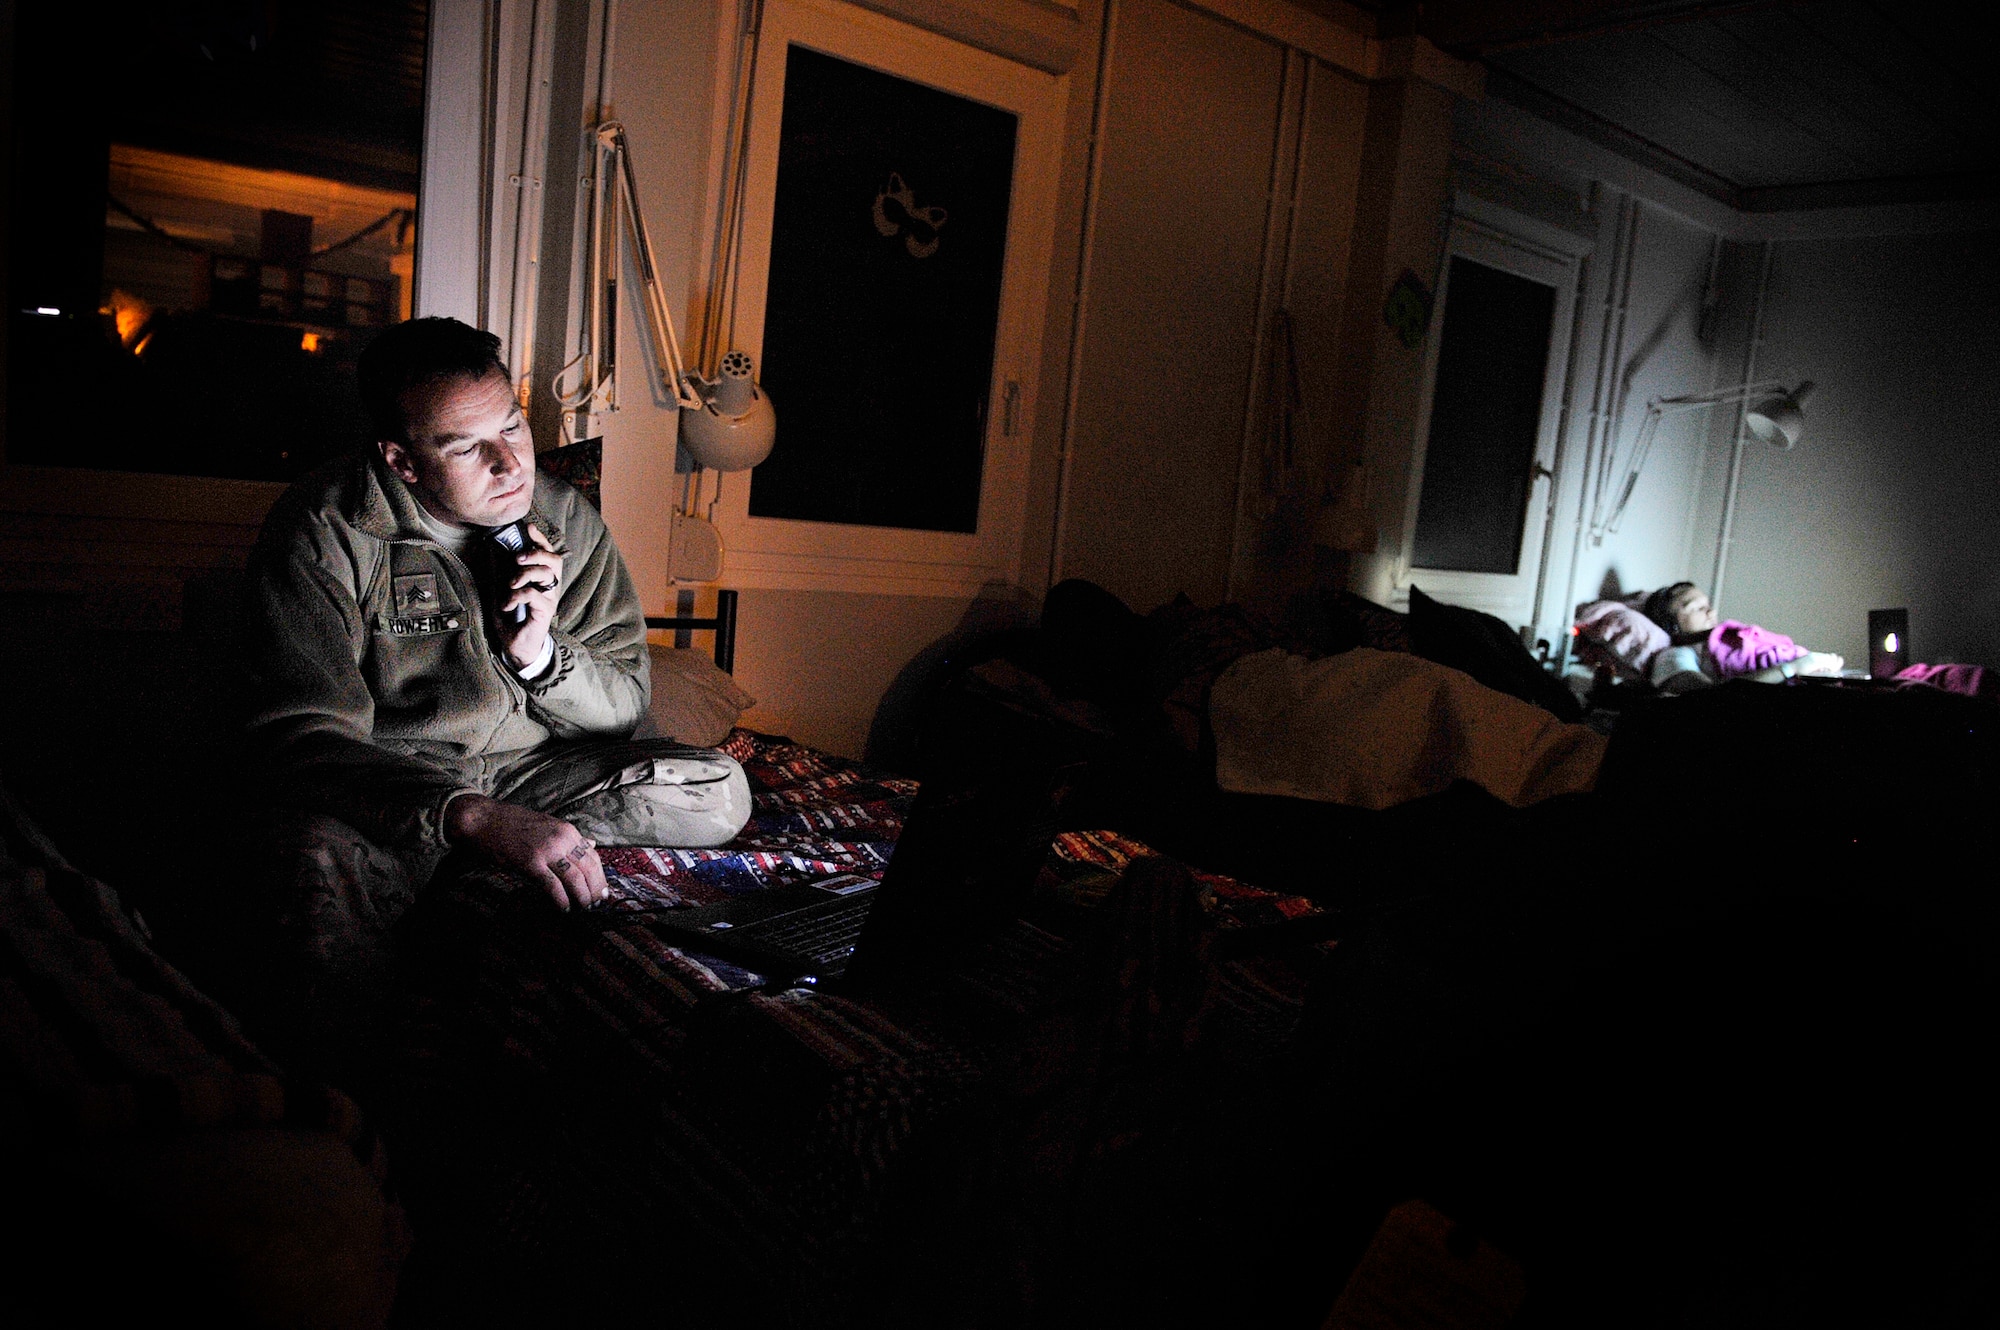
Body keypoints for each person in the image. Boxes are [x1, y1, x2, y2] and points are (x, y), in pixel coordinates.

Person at [241, 316, 750, 1076]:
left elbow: (625, 706)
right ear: (402, 461)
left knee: (719, 787)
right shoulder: (326, 528)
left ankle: (489, 858)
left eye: (513, 425)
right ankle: (354, 1111)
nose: (509, 462)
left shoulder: (563, 516)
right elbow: (303, 736)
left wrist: (541, 656)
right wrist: (468, 817)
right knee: (309, 861)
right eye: (465, 446)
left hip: (535, 773)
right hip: (396, 784)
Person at [1641, 581, 1843, 689]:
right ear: (1672, 626)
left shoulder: (1725, 641)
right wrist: (1793, 668)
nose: (1712, 613)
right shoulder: (1674, 656)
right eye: (1698, 608)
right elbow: (1707, 698)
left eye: (1709, 605)